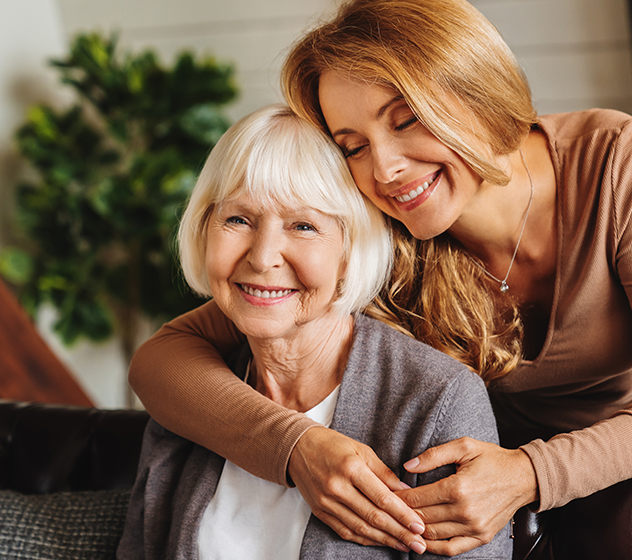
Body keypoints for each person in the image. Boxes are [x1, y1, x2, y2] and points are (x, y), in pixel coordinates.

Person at [128, 0, 632, 555]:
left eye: (407, 119)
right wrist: (296, 449)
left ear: (473, 89)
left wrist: (528, 474)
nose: (385, 169)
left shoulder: (612, 159)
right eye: (352, 146)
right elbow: (163, 361)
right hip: (469, 506)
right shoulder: (382, 228)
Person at [117, 104, 512, 559]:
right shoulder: (190, 398)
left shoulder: (437, 401)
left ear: (351, 249)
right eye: (237, 219)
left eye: (303, 226)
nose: (263, 257)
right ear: (204, 229)